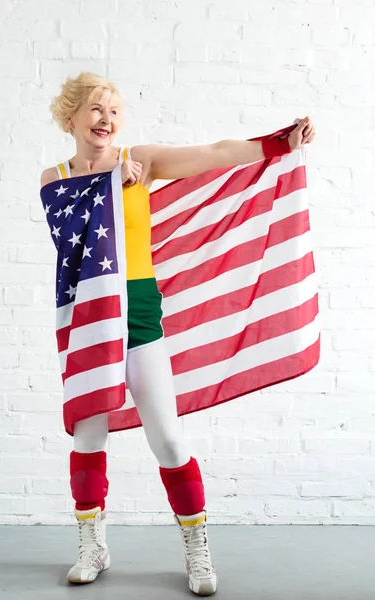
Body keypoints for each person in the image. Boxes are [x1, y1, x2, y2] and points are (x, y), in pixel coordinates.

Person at [40, 72, 316, 595]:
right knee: (88, 434)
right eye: (96, 110)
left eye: (115, 112)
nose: (107, 121)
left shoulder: (140, 162)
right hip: (85, 318)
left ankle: (196, 549)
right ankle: (92, 545)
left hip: (140, 310)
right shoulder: (52, 178)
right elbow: (70, 236)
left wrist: (280, 142)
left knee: (166, 436)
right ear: (71, 117)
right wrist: (109, 188)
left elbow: (211, 152)